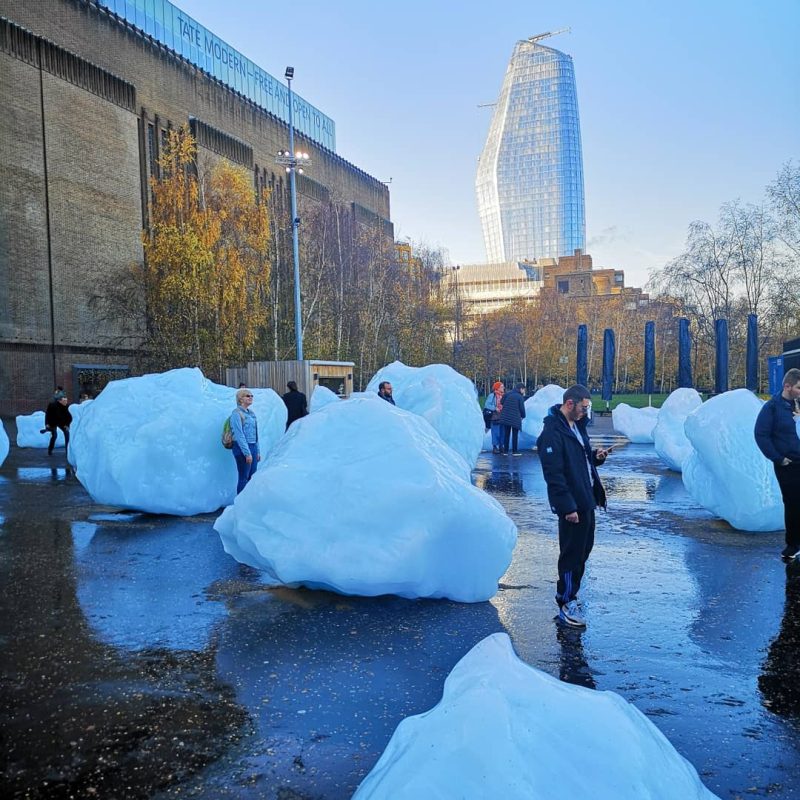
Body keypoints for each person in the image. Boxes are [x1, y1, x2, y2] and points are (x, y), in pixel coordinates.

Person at [537, 384, 610, 628]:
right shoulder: (552, 433)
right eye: (584, 407)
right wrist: (566, 507)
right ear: (570, 403)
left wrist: (595, 457)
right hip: (572, 506)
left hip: (586, 500)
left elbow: (581, 458)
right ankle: (565, 602)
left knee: (583, 552)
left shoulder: (576, 426)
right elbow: (554, 475)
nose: (586, 412)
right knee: (571, 555)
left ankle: (572, 595)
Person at [754, 368, 800, 561]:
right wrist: (778, 458)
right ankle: (793, 545)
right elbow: (761, 435)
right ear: (787, 386)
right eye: (799, 387)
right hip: (788, 464)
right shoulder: (772, 407)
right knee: (793, 503)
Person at [230, 388, 259, 494]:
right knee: (244, 476)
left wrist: (257, 451)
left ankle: (249, 503)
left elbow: (256, 434)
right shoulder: (236, 414)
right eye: (247, 396)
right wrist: (247, 453)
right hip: (241, 447)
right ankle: (240, 505)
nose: (251, 397)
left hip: (252, 446)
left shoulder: (251, 413)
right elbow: (239, 435)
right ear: (240, 399)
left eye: (252, 396)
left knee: (252, 476)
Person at [497, 383, 526, 455]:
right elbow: (522, 408)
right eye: (523, 390)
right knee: (515, 435)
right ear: (520, 389)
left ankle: (506, 451)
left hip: (505, 417)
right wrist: (523, 416)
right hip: (515, 418)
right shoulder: (520, 397)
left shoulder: (507, 394)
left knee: (506, 434)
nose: (524, 391)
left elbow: (501, 402)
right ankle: (514, 451)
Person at [45, 391, 72, 456]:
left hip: (62, 422)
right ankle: (50, 450)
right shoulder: (52, 405)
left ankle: (68, 452)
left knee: (67, 433)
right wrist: (47, 424)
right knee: (54, 435)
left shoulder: (67, 406)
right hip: (53, 421)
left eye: (66, 400)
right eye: (64, 400)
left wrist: (67, 425)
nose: (66, 402)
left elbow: (69, 417)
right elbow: (47, 415)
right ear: (59, 401)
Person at [484, 381, 505, 453]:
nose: (503, 388)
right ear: (497, 388)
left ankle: (501, 446)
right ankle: (495, 447)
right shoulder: (492, 395)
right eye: (502, 387)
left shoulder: (504, 395)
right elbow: (487, 405)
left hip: (503, 416)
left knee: (502, 432)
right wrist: (495, 408)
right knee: (495, 432)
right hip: (495, 416)